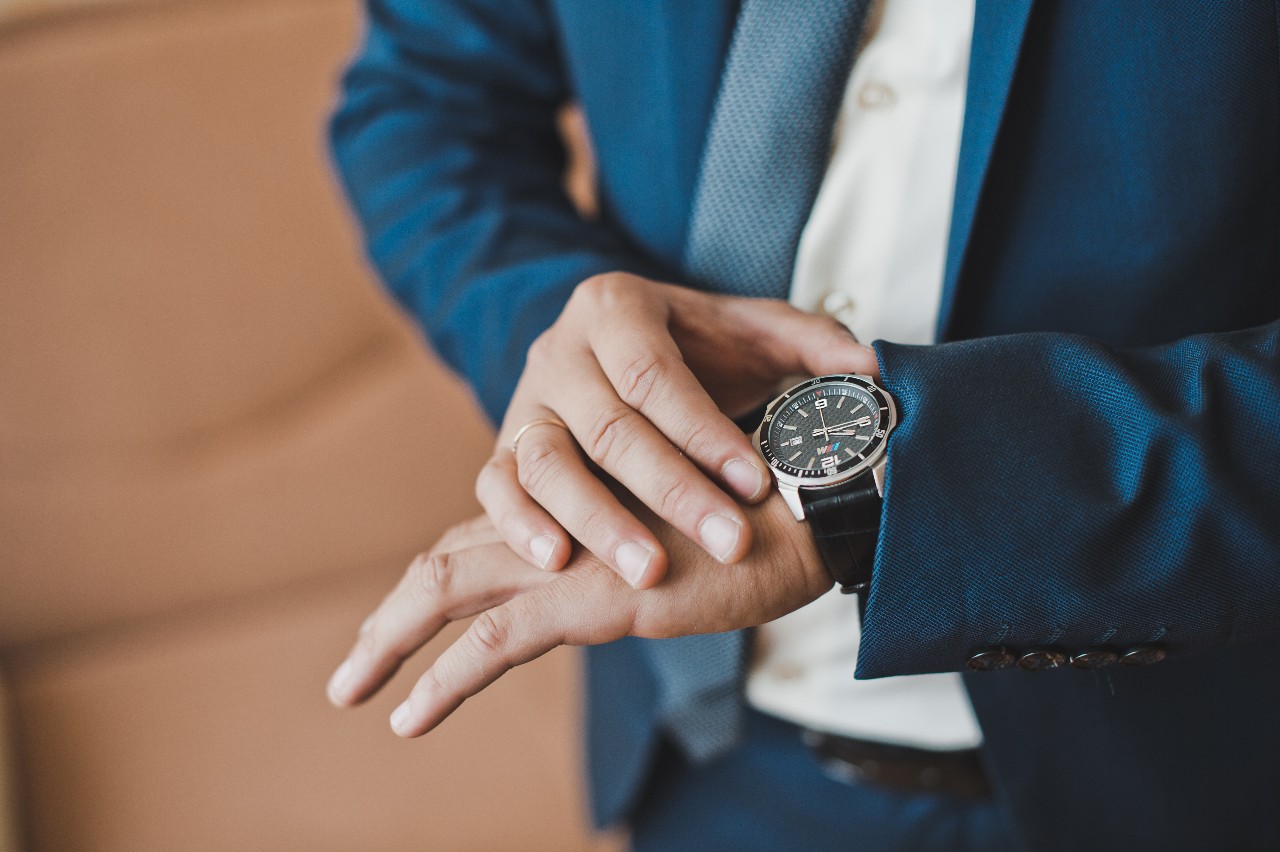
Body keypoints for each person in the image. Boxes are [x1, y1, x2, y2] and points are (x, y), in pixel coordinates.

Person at [324, 1, 1280, 849]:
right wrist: (577, 348)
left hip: (1197, 765)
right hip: (712, 758)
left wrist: (900, 497)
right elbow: (424, 98)